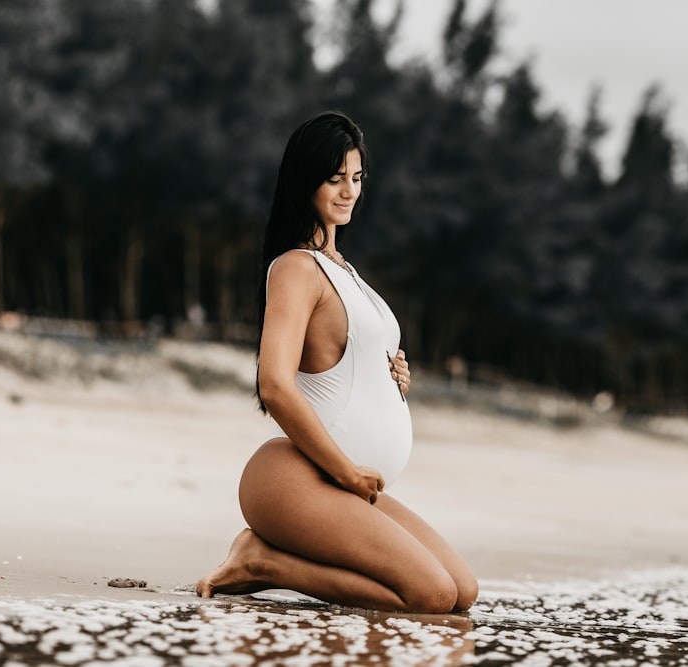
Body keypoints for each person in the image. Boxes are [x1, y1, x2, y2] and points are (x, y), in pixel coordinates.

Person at [196, 111, 478, 613]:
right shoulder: (295, 268)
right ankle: (265, 562)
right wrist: (347, 472)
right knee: (431, 596)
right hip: (301, 480)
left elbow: (342, 361)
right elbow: (275, 384)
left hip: (343, 486)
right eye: (334, 179)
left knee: (463, 593)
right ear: (305, 181)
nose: (349, 191)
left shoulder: (342, 269)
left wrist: (391, 380)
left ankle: (270, 558)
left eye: (356, 178)